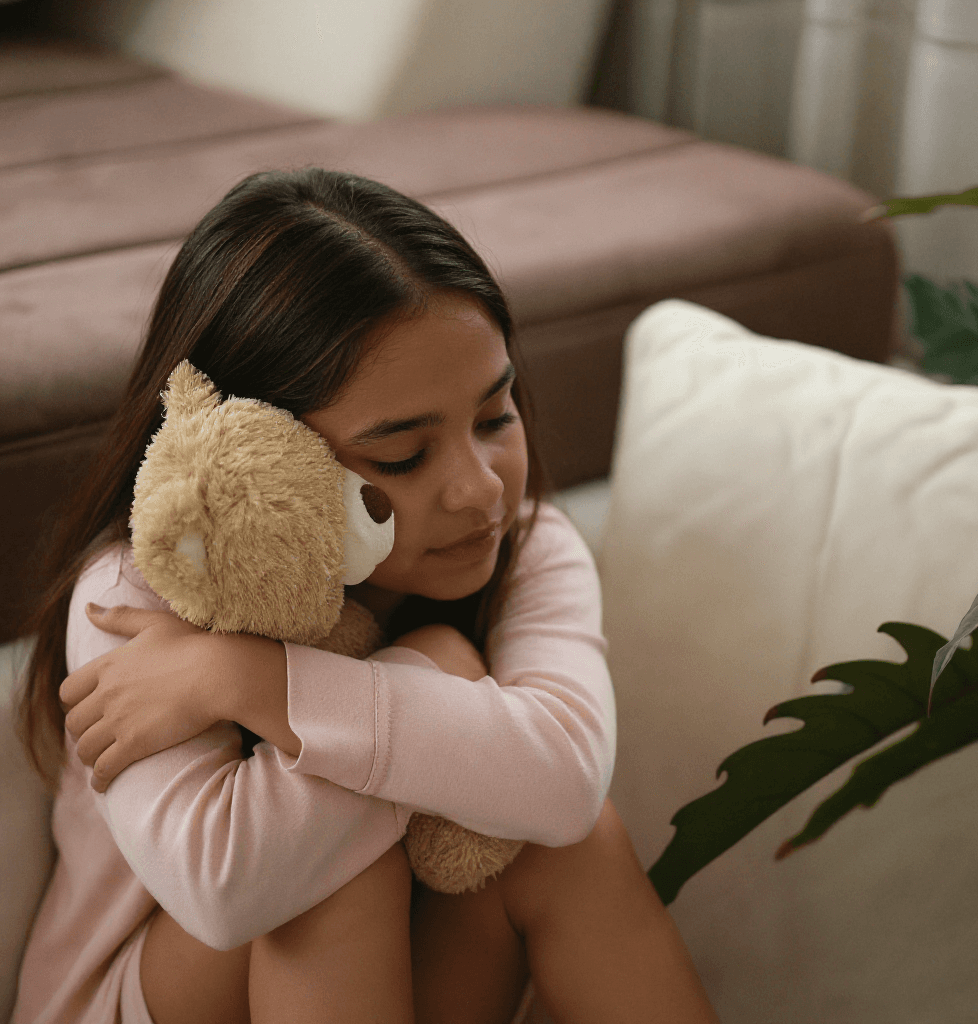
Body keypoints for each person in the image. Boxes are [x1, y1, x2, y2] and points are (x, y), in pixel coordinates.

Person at [13, 168, 719, 1024]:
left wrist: (259, 683)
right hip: (152, 998)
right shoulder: (141, 592)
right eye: (402, 457)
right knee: (329, 873)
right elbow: (224, 890)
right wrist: (440, 675)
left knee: (559, 838)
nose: (480, 490)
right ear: (255, 445)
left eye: (495, 418)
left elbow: (567, 782)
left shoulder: (530, 549)